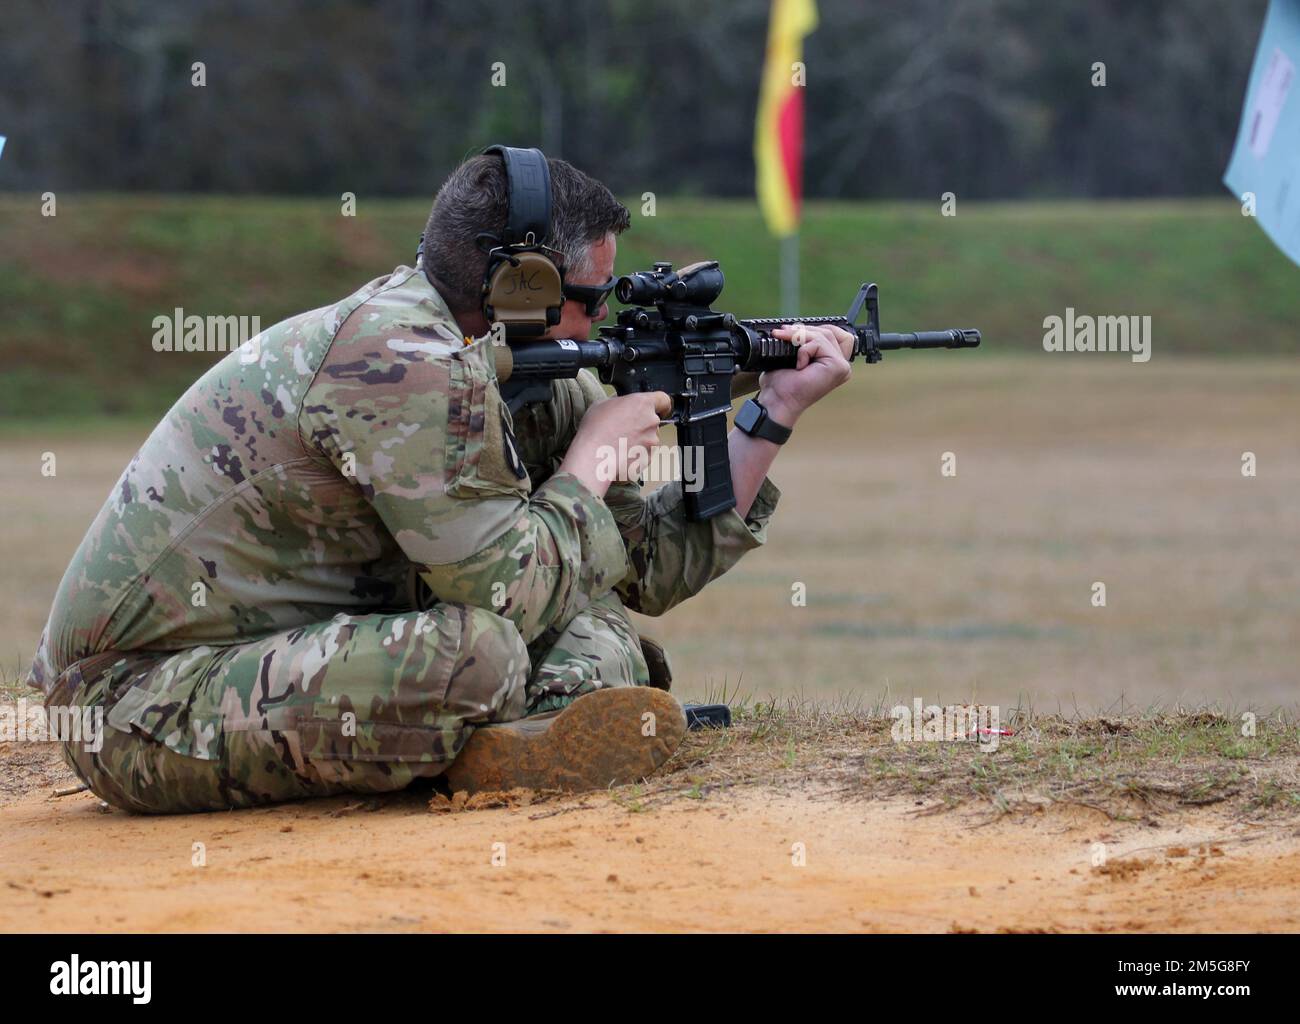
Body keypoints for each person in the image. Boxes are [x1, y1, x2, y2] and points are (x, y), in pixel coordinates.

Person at [25, 148, 853, 813]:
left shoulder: (535, 372)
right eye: (593, 299)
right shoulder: (398, 360)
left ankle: (502, 744)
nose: (605, 321)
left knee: (603, 629)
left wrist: (773, 411)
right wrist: (592, 462)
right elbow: (507, 597)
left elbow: (651, 566)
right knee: (480, 656)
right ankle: (502, 739)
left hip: (269, 660)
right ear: (517, 286)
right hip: (133, 704)